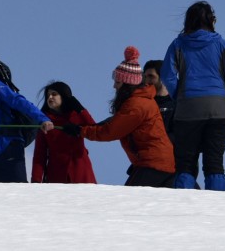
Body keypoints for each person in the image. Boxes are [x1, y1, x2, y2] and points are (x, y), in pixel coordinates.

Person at [64, 47, 176, 187]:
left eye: (117, 82)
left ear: (126, 83)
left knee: (128, 203)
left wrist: (81, 131)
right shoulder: (138, 100)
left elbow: (110, 132)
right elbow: (112, 124)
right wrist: (82, 128)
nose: (114, 86)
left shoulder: (137, 104)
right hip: (157, 163)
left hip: (155, 164)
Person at [161, 1, 225, 190]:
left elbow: (167, 75)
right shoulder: (221, 43)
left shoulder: (178, 44)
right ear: (211, 20)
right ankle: (217, 208)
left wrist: (179, 95)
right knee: (214, 162)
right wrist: (219, 91)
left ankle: (184, 209)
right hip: (219, 110)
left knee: (186, 163)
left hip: (188, 110)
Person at [31, 80, 97, 184]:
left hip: (80, 171)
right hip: (56, 175)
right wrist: (36, 180)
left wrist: (80, 109)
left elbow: (95, 129)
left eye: (54, 94)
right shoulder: (45, 121)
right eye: (48, 95)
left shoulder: (76, 115)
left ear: (64, 96)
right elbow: (40, 154)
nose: (50, 98)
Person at [141, 59, 174, 133]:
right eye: (145, 77)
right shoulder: (144, 104)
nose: (147, 81)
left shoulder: (177, 102)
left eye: (151, 76)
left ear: (162, 77)